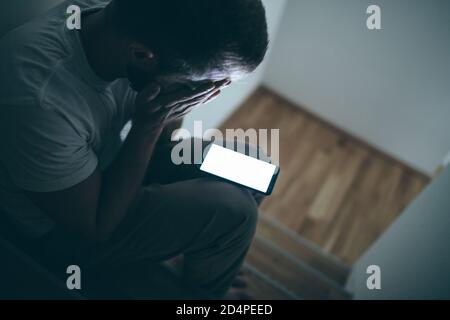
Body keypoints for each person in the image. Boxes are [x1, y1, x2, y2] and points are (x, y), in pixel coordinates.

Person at [0, 0, 269, 299]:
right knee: (233, 211)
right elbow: (94, 228)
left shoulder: (131, 25)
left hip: (112, 165)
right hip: (64, 229)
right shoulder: (37, 98)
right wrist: (148, 125)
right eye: (204, 82)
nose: (209, 89)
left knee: (255, 167)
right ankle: (206, 295)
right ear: (142, 55)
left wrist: (171, 106)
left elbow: (163, 145)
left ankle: (210, 262)